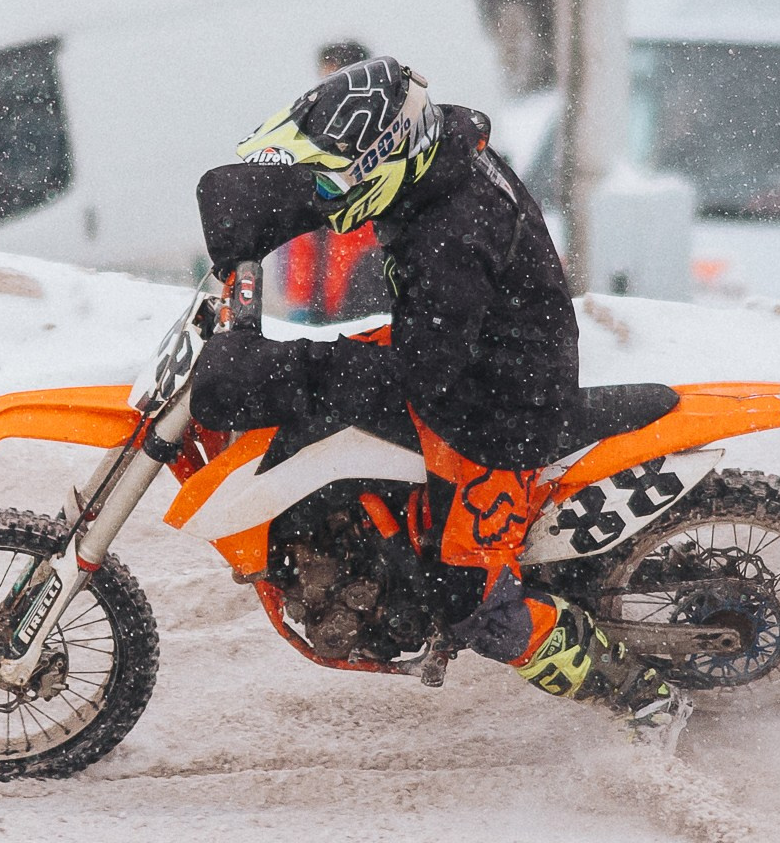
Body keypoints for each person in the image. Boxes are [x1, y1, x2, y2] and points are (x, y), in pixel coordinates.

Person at [192, 56, 689, 746]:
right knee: (329, 391)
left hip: (497, 410)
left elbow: (420, 374)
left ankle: (646, 697)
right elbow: (326, 183)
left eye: (338, 178)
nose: (327, 192)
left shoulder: (455, 233)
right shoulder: (428, 162)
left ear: (390, 159)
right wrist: (246, 216)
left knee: (472, 605)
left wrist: (286, 367)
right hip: (457, 345)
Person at [276, 41, 385, 322]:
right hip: (331, 302)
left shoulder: (386, 138)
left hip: (370, 292)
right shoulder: (318, 143)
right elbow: (305, 233)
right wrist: (301, 301)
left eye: (334, 79)